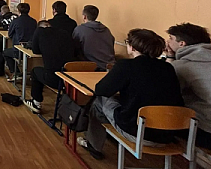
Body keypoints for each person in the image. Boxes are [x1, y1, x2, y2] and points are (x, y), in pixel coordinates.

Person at [77, 29, 184, 160]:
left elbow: (101, 90)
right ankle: (108, 132)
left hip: (137, 133)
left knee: (99, 100)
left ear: (132, 47)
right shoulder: (168, 68)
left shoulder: (126, 66)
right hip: (168, 134)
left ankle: (94, 145)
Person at [165, 23, 211, 152]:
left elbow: (168, 90)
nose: (167, 41)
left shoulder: (183, 66)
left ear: (182, 44)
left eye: (171, 38)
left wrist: (170, 59)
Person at [29, 20, 75, 113]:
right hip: (70, 79)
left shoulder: (39, 32)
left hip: (54, 78)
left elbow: (35, 50)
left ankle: (36, 103)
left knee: (35, 71)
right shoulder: (64, 33)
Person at [72, 5, 115, 70]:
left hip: (91, 67)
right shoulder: (106, 30)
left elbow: (74, 48)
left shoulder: (79, 30)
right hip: (110, 67)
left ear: (84, 16)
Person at [4, 3, 37, 77]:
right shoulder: (34, 21)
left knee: (5, 52)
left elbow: (10, 34)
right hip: (31, 50)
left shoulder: (15, 21)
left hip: (18, 51)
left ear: (18, 10)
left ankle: (15, 72)